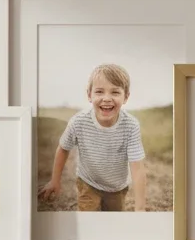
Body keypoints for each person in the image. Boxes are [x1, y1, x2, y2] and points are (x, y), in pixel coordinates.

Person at [38, 63, 147, 213]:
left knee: (113, 222)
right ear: (89, 95)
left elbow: (137, 167)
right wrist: (55, 180)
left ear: (126, 96)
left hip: (117, 187)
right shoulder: (78, 122)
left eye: (115, 92)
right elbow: (63, 149)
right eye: (99, 92)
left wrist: (140, 208)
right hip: (88, 183)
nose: (107, 98)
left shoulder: (131, 125)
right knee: (89, 221)